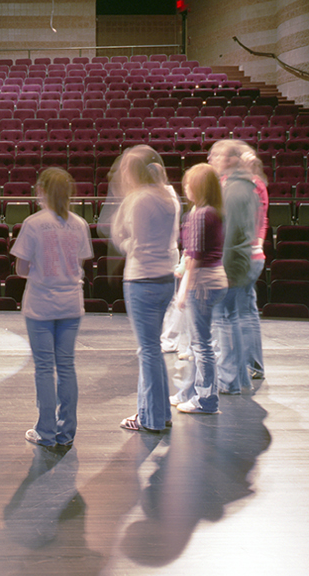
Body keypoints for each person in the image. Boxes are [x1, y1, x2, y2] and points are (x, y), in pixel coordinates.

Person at [13, 167, 91, 448]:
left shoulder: (33, 223)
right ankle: (67, 431)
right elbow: (80, 263)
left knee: (45, 368)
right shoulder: (80, 224)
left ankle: (45, 431)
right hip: (71, 303)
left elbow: (21, 268)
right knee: (67, 366)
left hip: (41, 304)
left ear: (42, 190)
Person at [108, 145, 180, 433]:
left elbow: (132, 243)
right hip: (165, 278)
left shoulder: (137, 200)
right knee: (152, 351)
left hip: (142, 280)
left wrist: (121, 239)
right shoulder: (170, 195)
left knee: (148, 351)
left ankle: (151, 418)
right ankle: (157, 413)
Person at [209, 139, 268, 393]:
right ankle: (249, 369)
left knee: (227, 319)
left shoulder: (236, 188)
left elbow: (232, 232)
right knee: (245, 314)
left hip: (238, 260)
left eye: (216, 155)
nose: (210, 159)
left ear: (233, 160)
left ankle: (231, 377)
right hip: (251, 256)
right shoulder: (253, 185)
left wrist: (222, 267)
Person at [173, 163, 227, 416]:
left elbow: (193, 257)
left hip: (202, 284)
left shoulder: (199, 214)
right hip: (215, 279)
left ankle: (206, 399)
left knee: (201, 345)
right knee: (199, 343)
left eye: (188, 183)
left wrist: (183, 289)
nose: (185, 188)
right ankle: (188, 392)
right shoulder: (213, 212)